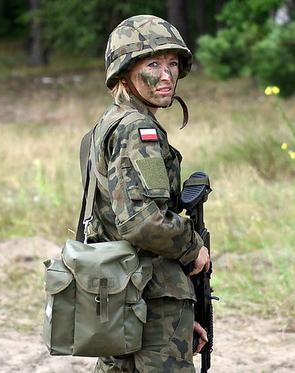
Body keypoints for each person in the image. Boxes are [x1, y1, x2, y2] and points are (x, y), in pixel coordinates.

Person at [89, 15, 209, 372]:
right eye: (153, 64)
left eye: (173, 64)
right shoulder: (138, 131)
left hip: (118, 297)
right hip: (148, 298)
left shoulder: (107, 125)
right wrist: (192, 246)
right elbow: (141, 221)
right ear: (124, 72)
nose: (167, 75)